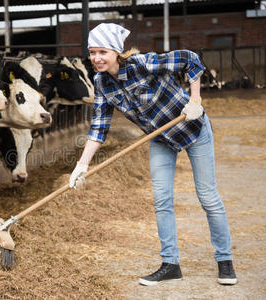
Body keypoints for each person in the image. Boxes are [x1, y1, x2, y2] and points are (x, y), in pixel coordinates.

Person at [69, 23, 237, 286]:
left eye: (102, 51)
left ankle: (225, 260)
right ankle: (170, 264)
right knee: (162, 200)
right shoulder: (101, 82)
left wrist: (195, 101)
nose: (96, 58)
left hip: (193, 127)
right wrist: (81, 165)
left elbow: (190, 60)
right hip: (161, 138)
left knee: (207, 196)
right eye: (92, 52)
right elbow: (99, 127)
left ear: (116, 51)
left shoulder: (142, 64)